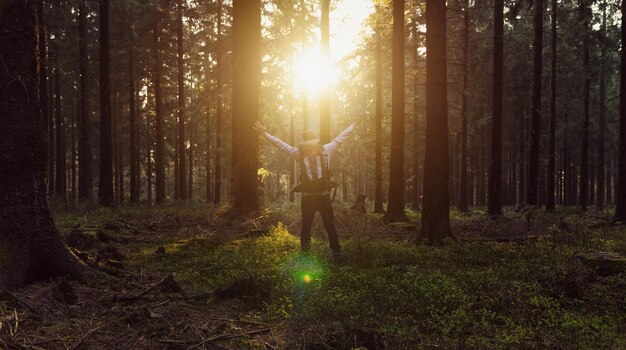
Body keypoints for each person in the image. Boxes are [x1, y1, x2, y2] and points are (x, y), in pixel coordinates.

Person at [254, 119, 361, 263]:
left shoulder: (299, 152)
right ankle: (337, 255)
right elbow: (342, 137)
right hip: (324, 196)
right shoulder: (326, 149)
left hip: (308, 198)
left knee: (306, 227)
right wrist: (354, 124)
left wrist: (264, 132)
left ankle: (305, 257)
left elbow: (280, 145)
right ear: (315, 138)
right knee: (330, 226)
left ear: (304, 140)